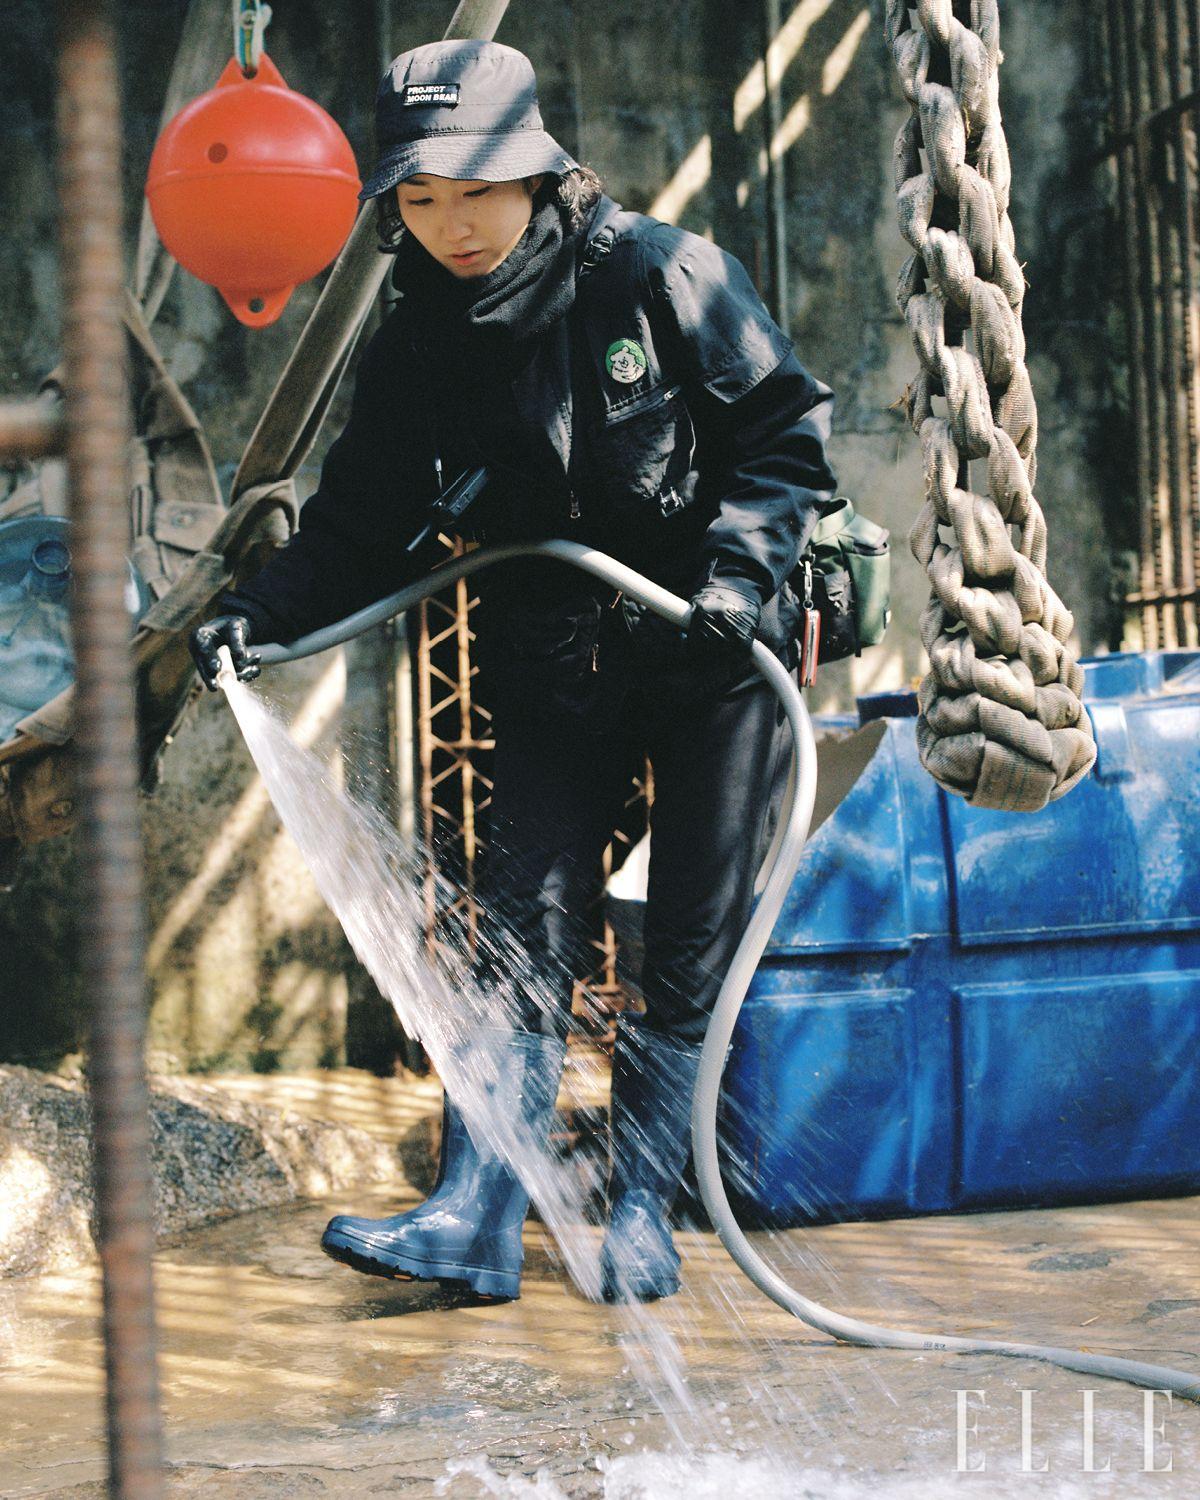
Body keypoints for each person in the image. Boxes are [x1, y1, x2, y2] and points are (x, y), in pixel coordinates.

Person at [190, 39, 836, 1304]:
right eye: (420, 202)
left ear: (541, 177)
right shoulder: (419, 331)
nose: (452, 226)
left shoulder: (661, 274)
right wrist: (255, 613)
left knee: (690, 944)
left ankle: (644, 1210)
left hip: (716, 651)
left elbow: (786, 438)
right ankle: (476, 1213)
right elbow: (357, 521)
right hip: (552, 647)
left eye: (477, 191)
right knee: (519, 930)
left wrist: (737, 577)